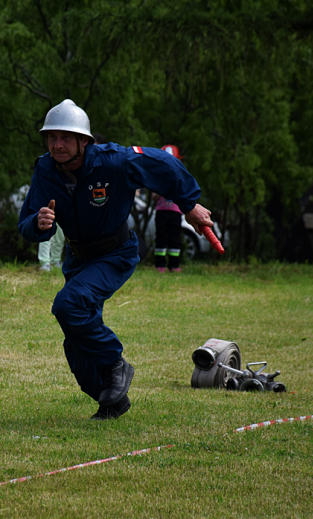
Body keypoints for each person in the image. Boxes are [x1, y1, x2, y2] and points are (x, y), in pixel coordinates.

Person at [18, 100, 213, 420]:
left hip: (115, 253)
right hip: (77, 259)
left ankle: (115, 364)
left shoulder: (113, 161)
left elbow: (163, 162)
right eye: (52, 137)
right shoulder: (45, 169)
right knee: (76, 344)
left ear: (84, 141)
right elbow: (27, 223)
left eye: (66, 137)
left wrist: (188, 203)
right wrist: (39, 224)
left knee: (69, 305)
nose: (57, 144)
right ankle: (112, 402)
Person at [152, 145, 184, 273]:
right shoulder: (158, 177)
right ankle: (160, 265)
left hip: (176, 213)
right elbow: (154, 197)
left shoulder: (181, 176)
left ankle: (174, 265)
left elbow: (184, 194)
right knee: (161, 238)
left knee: (175, 239)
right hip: (161, 212)